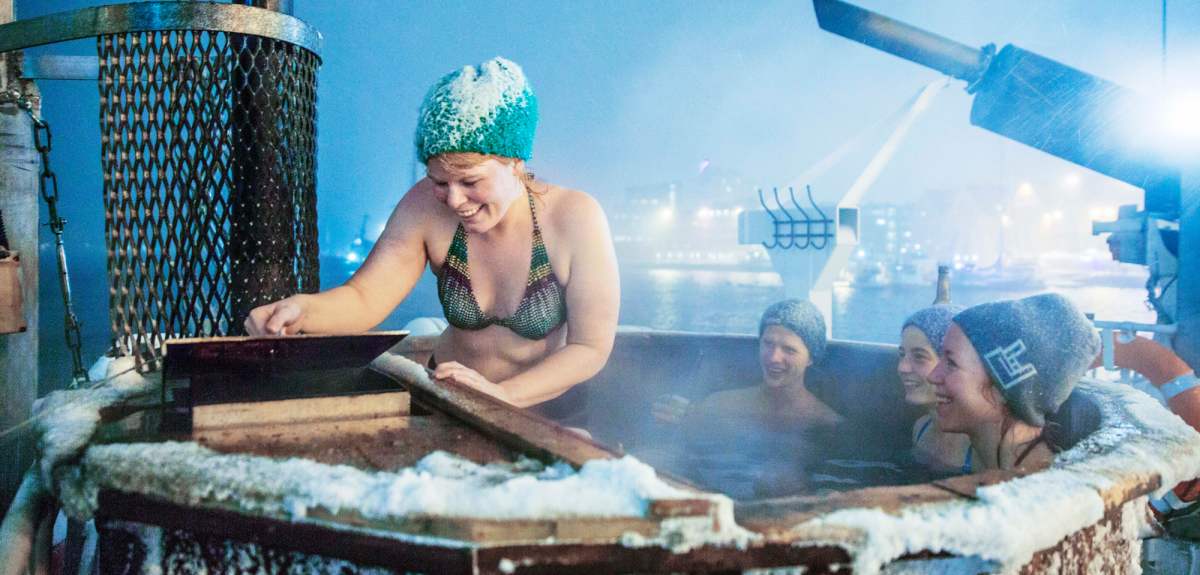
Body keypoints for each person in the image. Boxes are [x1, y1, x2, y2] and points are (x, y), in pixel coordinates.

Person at [244, 57, 620, 423]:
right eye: (440, 181)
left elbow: (589, 347)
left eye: (470, 181)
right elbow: (365, 298)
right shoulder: (423, 205)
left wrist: (505, 396)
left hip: (543, 410)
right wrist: (301, 311)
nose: (454, 200)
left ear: (515, 163)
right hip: (449, 400)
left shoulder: (575, 217)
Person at [928, 293, 1100, 471]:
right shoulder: (995, 463)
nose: (932, 376)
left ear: (1003, 391)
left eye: (951, 363)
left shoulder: (1035, 481)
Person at [653, 299, 842, 430]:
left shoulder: (825, 423)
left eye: (789, 350)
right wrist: (677, 416)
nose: (774, 357)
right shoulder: (719, 404)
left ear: (810, 358)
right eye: (768, 344)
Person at [897, 304, 974, 475]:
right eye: (902, 354)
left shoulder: (979, 444)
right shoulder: (921, 428)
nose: (902, 367)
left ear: (953, 364)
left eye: (919, 356)